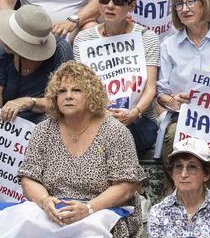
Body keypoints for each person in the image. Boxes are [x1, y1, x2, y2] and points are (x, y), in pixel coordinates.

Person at [18, 62, 144, 238]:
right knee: (22, 222)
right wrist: (44, 201)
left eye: (76, 90)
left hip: (103, 211)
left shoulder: (115, 131)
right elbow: (28, 178)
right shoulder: (43, 130)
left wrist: (89, 208)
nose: (68, 96)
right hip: (55, 211)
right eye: (62, 91)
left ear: (92, 95)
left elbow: (126, 186)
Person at [72, 0, 160, 154]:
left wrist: (134, 113)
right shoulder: (84, 39)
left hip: (139, 119)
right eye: (104, 0)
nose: (110, 6)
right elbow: (82, 87)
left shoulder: (147, 37)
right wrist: (102, 113)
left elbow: (151, 89)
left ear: (132, 5)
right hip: (96, 117)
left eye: (118, 1)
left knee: (113, 135)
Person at [0, 4, 73, 131]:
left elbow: (65, 100)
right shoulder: (5, 50)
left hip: (43, 114)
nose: (6, 40)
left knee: (48, 121)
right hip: (10, 116)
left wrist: (29, 102)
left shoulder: (61, 51)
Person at [146, 137, 210, 238]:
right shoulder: (158, 212)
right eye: (178, 167)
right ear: (172, 173)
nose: (184, 174)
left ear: (206, 174)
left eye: (192, 167)